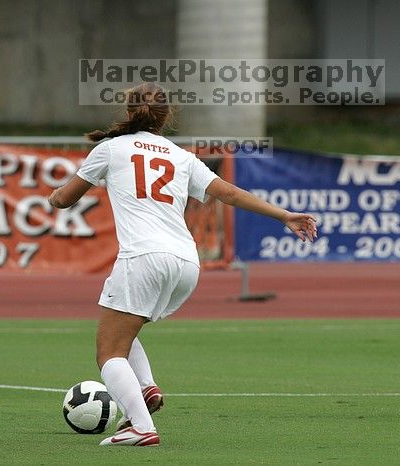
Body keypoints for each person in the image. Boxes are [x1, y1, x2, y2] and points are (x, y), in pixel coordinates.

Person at [48, 82, 317, 446]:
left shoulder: (110, 149)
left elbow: (65, 198)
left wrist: (54, 196)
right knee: (122, 320)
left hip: (145, 257)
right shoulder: (181, 155)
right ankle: (146, 388)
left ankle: (140, 426)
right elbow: (230, 193)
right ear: (165, 117)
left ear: (129, 112)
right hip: (186, 262)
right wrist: (284, 215)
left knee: (109, 352)